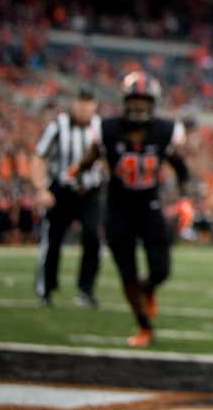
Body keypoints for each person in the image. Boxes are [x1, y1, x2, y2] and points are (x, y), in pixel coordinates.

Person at [71, 71, 188, 348]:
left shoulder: (164, 131)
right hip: (118, 210)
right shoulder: (108, 129)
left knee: (161, 270)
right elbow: (89, 159)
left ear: (153, 103)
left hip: (150, 207)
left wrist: (185, 199)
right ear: (124, 101)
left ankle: (148, 289)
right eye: (134, 101)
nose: (138, 107)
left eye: (144, 101)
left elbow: (180, 167)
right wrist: (78, 177)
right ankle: (144, 326)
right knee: (127, 272)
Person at [31, 87, 104, 308]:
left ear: (95, 105)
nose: (83, 107)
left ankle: (86, 290)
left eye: (88, 102)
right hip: (61, 191)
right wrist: (41, 189)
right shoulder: (58, 125)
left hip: (91, 191)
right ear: (73, 103)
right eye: (80, 102)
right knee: (53, 240)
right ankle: (46, 289)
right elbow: (39, 156)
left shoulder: (101, 127)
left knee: (93, 237)